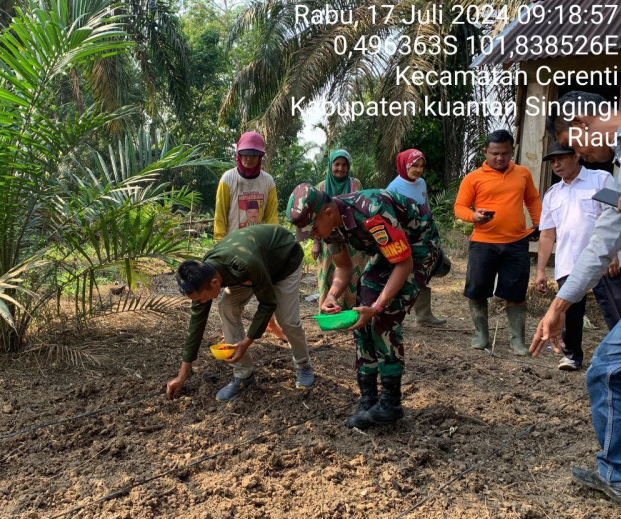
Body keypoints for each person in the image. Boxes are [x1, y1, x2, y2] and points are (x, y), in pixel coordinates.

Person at [530, 91, 621, 508]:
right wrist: (559, 306)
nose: (579, 155)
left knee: (609, 367)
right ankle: (620, 474)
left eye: (571, 145)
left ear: (581, 123)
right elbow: (603, 241)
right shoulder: (620, 168)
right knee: (610, 367)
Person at [287, 183, 444, 428]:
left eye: (314, 229)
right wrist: (332, 295)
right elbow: (343, 267)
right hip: (388, 250)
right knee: (361, 316)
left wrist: (378, 307)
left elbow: (403, 264)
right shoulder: (330, 225)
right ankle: (368, 398)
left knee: (384, 317)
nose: (314, 236)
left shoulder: (372, 212)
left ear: (328, 212)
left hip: (418, 245)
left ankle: (390, 404)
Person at [166, 225, 314, 402]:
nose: (202, 302)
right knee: (226, 306)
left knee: (287, 320)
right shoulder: (202, 275)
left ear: (215, 283)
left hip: (284, 261)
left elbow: (268, 303)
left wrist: (246, 342)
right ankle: (244, 375)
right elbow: (196, 325)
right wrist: (182, 375)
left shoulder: (245, 263)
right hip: (252, 268)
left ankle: (304, 365)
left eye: (202, 298)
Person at [534, 141, 621, 371]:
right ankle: (571, 356)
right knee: (569, 313)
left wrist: (612, 254)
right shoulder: (552, 194)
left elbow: (616, 218)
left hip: (603, 260)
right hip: (568, 262)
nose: (556, 165)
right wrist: (540, 270)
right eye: (552, 161)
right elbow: (547, 235)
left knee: (619, 308)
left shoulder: (600, 179)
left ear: (576, 156)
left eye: (561, 158)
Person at [454, 129, 542, 356]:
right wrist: (474, 216)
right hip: (483, 243)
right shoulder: (473, 178)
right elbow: (459, 207)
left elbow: (532, 199)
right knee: (477, 289)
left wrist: (538, 223)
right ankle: (480, 334)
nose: (500, 158)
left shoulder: (523, 174)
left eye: (505, 153)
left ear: (512, 151)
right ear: (485, 152)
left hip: (516, 242)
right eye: (495, 153)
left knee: (516, 292)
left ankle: (518, 341)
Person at [213, 131, 285, 340]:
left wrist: (272, 248)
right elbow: (220, 216)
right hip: (233, 248)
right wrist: (220, 247)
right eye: (245, 153)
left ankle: (271, 323)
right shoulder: (228, 179)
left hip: (258, 247)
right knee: (233, 294)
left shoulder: (267, 181)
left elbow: (271, 217)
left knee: (268, 289)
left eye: (254, 154)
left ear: (260, 156)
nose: (249, 158)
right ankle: (232, 332)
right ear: (238, 154)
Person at [387, 149, 447, 326]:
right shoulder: (393, 188)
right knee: (401, 276)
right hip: (404, 238)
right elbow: (389, 217)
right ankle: (392, 317)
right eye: (414, 165)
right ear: (404, 165)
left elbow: (425, 206)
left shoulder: (421, 183)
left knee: (423, 272)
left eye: (421, 166)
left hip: (423, 236)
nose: (418, 170)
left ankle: (424, 315)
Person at [311, 149, 367, 310]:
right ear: (330, 165)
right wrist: (316, 242)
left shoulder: (355, 184)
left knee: (353, 276)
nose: (340, 168)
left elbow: (361, 210)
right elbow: (315, 217)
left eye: (344, 165)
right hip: (328, 239)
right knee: (329, 276)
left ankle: (351, 313)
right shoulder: (321, 187)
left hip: (352, 240)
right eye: (337, 164)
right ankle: (328, 310)